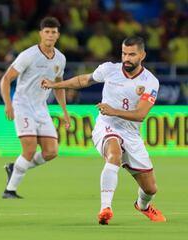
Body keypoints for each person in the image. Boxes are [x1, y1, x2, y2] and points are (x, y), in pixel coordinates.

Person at [41, 36, 166, 224]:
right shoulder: (109, 69)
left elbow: (140, 115)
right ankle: (105, 209)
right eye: (124, 53)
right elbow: (83, 80)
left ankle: (143, 206)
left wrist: (113, 110)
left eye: (132, 54)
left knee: (150, 189)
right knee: (114, 154)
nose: (127, 58)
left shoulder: (150, 81)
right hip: (107, 126)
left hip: (131, 134)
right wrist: (54, 85)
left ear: (142, 55)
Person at [0, 17, 70, 199]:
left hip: (41, 108)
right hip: (22, 106)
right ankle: (10, 190)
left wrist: (64, 111)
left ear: (58, 35)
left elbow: (58, 85)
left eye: (53, 32)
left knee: (51, 152)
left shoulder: (60, 59)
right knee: (29, 150)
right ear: (41, 34)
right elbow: (6, 79)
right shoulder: (28, 55)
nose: (50, 35)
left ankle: (14, 167)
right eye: (47, 31)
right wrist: (8, 103)